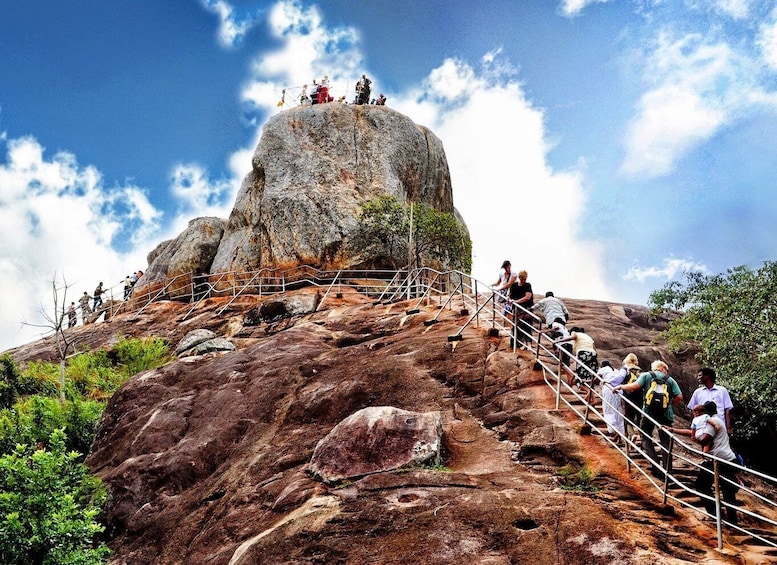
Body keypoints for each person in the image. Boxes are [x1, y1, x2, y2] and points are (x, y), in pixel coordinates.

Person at [614, 360, 684, 476]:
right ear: (662, 368)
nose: (666, 371)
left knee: (645, 437)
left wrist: (620, 386)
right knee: (665, 442)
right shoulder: (670, 380)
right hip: (665, 415)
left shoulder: (647, 375)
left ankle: (655, 465)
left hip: (648, 413)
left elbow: (634, 386)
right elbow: (679, 396)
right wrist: (669, 404)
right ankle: (668, 470)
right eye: (666, 369)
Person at [686, 401, 740, 524]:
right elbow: (696, 432)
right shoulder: (716, 420)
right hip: (726, 459)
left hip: (718, 460)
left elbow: (705, 438)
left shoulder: (711, 422)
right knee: (727, 491)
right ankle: (730, 520)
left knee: (702, 485)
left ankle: (717, 515)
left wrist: (695, 439)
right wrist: (673, 429)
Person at [687, 367, 734, 435]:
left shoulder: (722, 391)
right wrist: (693, 426)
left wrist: (728, 427)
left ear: (707, 376)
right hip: (703, 426)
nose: (698, 378)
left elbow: (727, 410)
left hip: (719, 424)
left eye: (700, 375)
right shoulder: (698, 392)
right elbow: (692, 410)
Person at [617, 353, 643, 440]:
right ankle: (643, 438)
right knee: (639, 415)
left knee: (628, 416)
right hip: (639, 395)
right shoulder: (639, 370)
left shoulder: (625, 369)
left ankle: (632, 435)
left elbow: (619, 379)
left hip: (628, 394)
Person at [598, 360, 626, 439]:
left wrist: (590, 383)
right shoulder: (615, 371)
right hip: (618, 391)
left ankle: (613, 430)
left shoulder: (603, 369)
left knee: (609, 410)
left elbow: (597, 378)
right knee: (618, 411)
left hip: (609, 391)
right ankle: (620, 436)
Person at [507, 270, 533, 348]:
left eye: (525, 279)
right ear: (519, 278)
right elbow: (509, 295)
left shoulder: (527, 285)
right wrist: (509, 299)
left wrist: (516, 301)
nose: (524, 281)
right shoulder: (514, 285)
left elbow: (527, 297)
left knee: (527, 325)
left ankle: (529, 344)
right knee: (518, 326)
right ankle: (523, 343)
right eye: (522, 279)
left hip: (526, 308)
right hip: (517, 309)